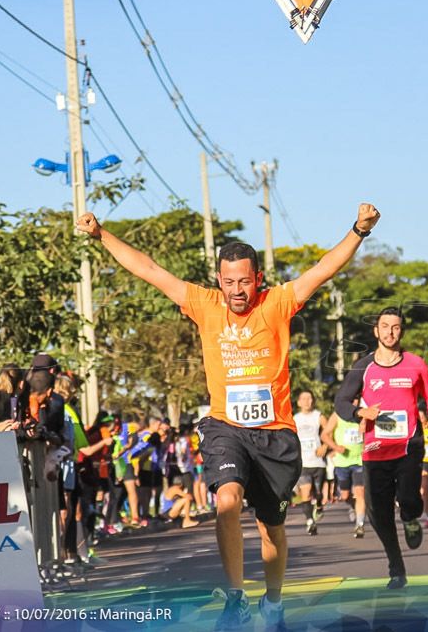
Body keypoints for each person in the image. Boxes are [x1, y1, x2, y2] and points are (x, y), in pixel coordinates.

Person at [76, 202, 380, 630]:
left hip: (275, 434)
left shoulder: (277, 303)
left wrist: (358, 230)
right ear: (219, 279)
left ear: (258, 279)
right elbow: (149, 270)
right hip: (226, 427)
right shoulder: (203, 303)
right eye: (229, 281)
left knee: (271, 528)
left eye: (244, 282)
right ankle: (235, 597)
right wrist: (100, 234)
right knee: (225, 500)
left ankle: (272, 600)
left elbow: (323, 269)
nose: (237, 290)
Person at [335, 306, 428, 590]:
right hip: (375, 449)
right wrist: (361, 413)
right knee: (378, 513)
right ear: (376, 331)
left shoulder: (415, 364)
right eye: (385, 326)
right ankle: (396, 566)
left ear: (401, 331)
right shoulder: (363, 367)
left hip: (409, 444)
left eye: (395, 327)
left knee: (408, 498)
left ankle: (410, 517)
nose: (390, 332)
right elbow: (342, 402)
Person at [320, 408, 367, 537]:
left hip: (360, 461)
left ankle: (360, 524)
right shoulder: (337, 415)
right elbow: (324, 435)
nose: (354, 403)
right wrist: (335, 447)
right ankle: (353, 506)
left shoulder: (364, 413)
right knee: (345, 496)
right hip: (342, 462)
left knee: (360, 493)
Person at [294, 390, 328, 535]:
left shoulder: (318, 416)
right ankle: (310, 522)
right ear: (299, 403)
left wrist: (325, 446)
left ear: (312, 401)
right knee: (306, 493)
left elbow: (329, 431)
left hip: (318, 462)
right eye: (304, 398)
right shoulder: (295, 418)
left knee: (318, 493)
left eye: (309, 398)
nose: (307, 401)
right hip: (303, 463)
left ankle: (319, 505)